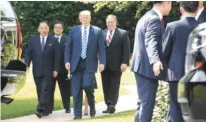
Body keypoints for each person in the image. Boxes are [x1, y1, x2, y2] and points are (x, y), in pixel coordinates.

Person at [131, 1, 172, 122]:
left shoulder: (146, 16)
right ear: (166, 2)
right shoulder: (154, 18)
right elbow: (151, 41)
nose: (171, 6)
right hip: (146, 69)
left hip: (141, 67)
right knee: (147, 105)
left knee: (143, 104)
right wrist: (155, 61)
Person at [64, 10, 106, 120]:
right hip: (76, 64)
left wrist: (102, 62)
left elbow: (101, 48)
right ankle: (77, 115)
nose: (85, 19)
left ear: (90, 18)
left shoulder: (97, 31)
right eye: (83, 17)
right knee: (76, 90)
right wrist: (67, 61)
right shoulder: (74, 30)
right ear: (80, 19)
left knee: (87, 85)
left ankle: (92, 105)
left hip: (90, 64)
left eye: (87, 17)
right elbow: (68, 47)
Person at [162, 2, 199, 122]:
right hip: (197, 76)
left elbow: (164, 52)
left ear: (181, 9)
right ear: (197, 9)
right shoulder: (202, 27)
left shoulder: (172, 26)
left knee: (176, 110)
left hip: (176, 74)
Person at [24, 21, 60, 118]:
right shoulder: (33, 40)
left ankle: (39, 109)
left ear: (48, 29)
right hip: (37, 70)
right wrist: (26, 65)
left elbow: (57, 56)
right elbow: (28, 54)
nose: (44, 30)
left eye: (45, 28)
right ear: (39, 29)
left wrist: (56, 69)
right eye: (42, 28)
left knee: (45, 89)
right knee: (40, 90)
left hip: (49, 71)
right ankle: (46, 110)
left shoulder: (53, 40)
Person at [101, 14, 130, 114]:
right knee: (106, 85)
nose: (110, 24)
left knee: (114, 84)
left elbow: (126, 50)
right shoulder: (102, 33)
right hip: (104, 65)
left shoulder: (123, 33)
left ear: (115, 22)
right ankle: (108, 105)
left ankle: (112, 104)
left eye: (111, 22)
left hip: (117, 65)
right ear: (106, 23)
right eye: (108, 22)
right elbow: (99, 49)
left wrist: (125, 62)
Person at [49, 21, 71, 114]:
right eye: (55, 27)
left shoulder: (67, 40)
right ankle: (49, 108)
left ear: (62, 29)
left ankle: (67, 107)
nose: (57, 29)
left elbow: (70, 53)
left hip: (63, 70)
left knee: (65, 90)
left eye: (59, 27)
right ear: (53, 29)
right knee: (50, 90)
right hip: (51, 70)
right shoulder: (48, 39)